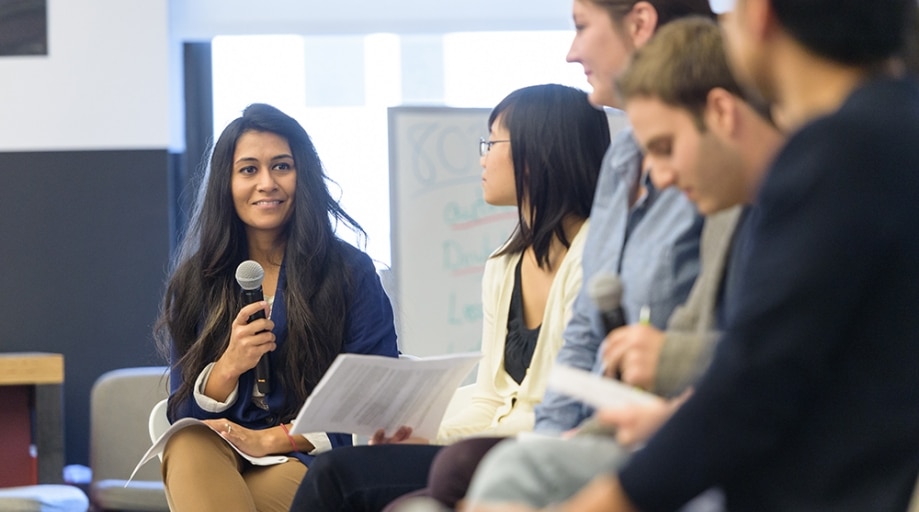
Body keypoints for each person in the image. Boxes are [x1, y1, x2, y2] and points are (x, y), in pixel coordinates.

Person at [471, 0, 919, 509]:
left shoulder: (837, 155)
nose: (659, 176)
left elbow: (754, 389)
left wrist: (606, 501)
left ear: (760, 14)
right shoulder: (890, 131)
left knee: (512, 479)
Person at [461, 16, 783, 510]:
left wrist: (667, 378)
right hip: (654, 430)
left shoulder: (769, 205)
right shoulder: (628, 175)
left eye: (664, 148)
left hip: (707, 451)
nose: (658, 177)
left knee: (497, 472)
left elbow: (772, 367)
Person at [288, 83, 612, 512]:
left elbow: (566, 408)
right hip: (491, 446)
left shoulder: (596, 255)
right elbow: (490, 399)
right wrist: (426, 440)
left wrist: (450, 446)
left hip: (544, 451)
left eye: (492, 141)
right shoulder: (504, 264)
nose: (482, 156)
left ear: (540, 152)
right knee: (345, 470)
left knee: (336, 477)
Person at [153, 103, 399, 512]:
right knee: (187, 442)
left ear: (303, 175)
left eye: (281, 166)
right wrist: (229, 365)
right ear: (225, 184)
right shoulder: (196, 280)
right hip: (222, 451)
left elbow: (373, 400)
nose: (266, 183)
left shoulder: (348, 272)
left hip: (308, 457)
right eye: (248, 169)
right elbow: (183, 410)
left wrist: (273, 439)